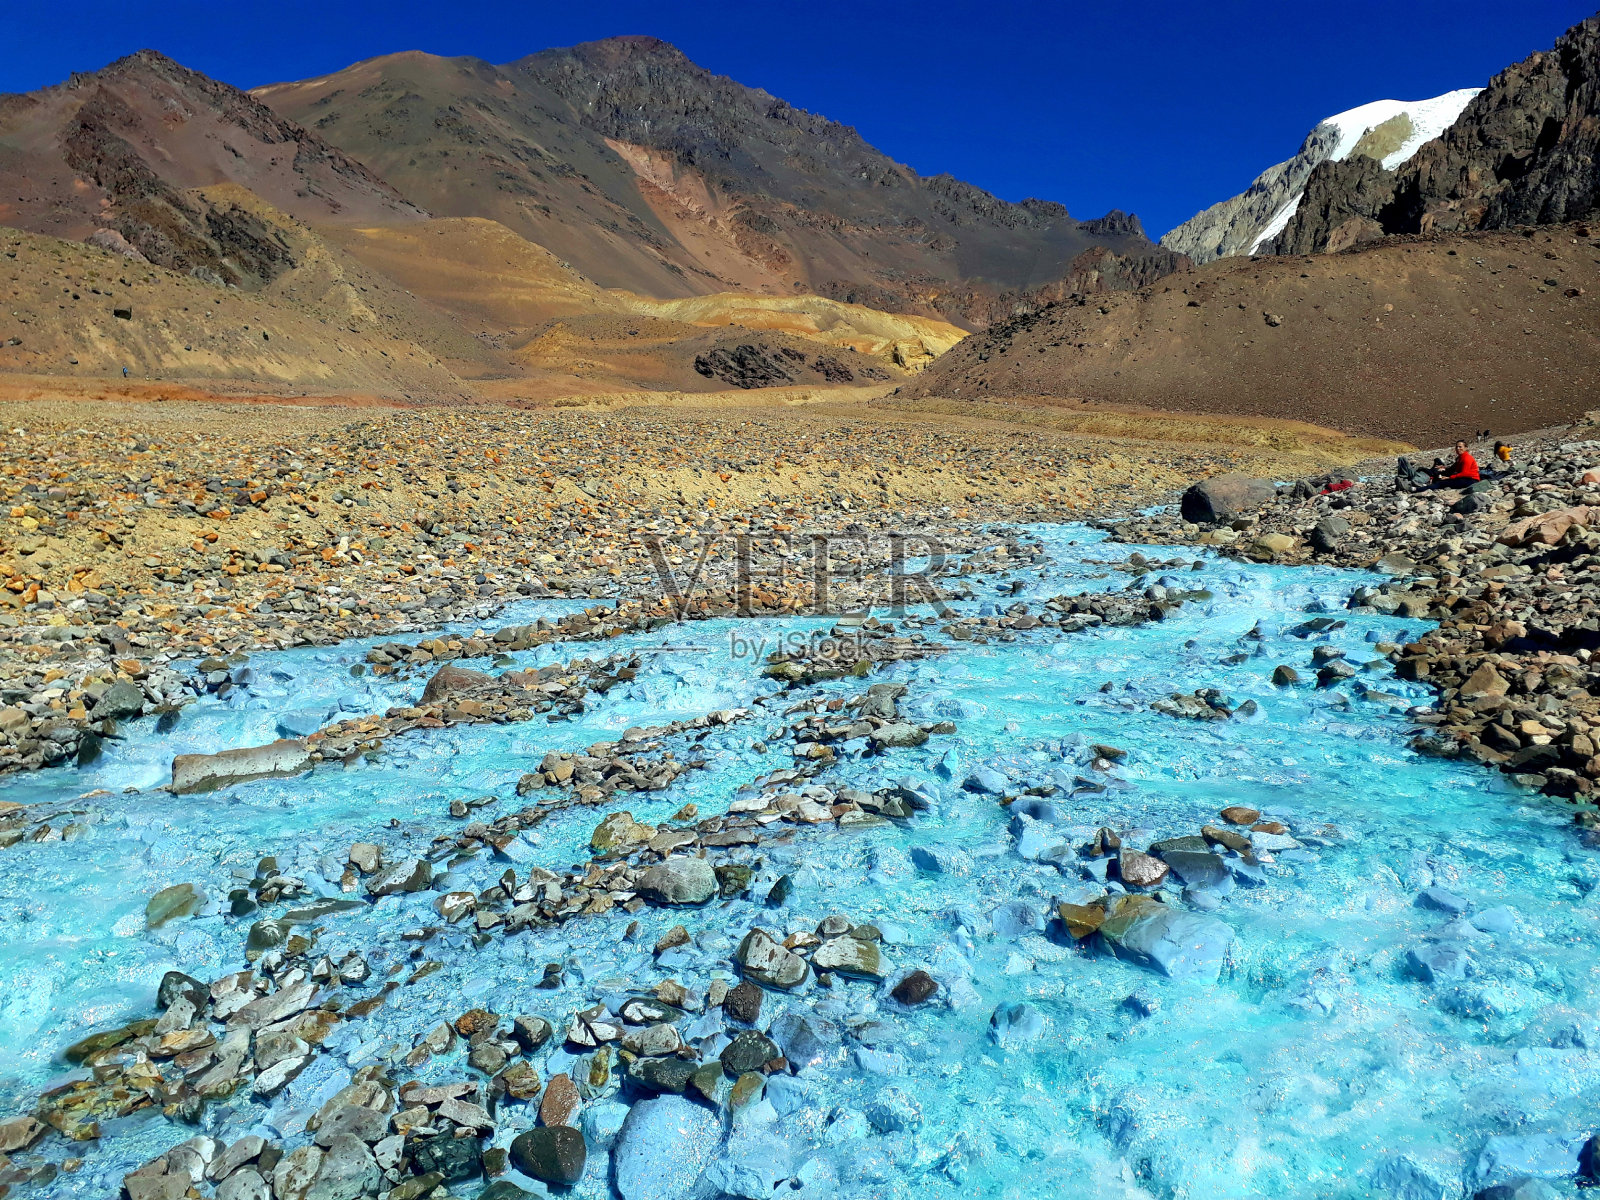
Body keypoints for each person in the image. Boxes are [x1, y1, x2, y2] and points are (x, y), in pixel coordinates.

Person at [1396, 440, 1480, 491]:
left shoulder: (1466, 458)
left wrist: (1449, 477)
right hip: (1466, 478)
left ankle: (1414, 489)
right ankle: (1406, 481)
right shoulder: (1460, 458)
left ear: (1466, 448)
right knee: (1438, 480)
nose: (1458, 449)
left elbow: (1465, 473)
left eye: (1460, 447)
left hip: (1470, 480)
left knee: (1440, 483)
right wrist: (1444, 468)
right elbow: (1452, 468)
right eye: (1456, 447)